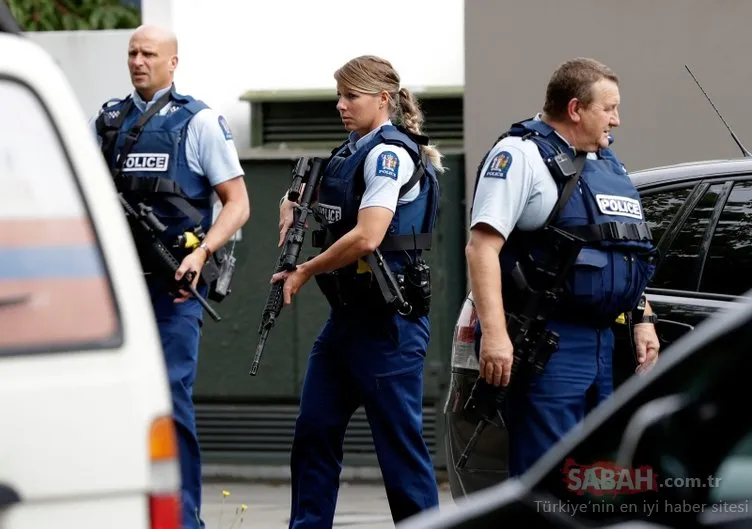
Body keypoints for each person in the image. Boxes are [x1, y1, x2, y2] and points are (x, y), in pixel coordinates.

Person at [465, 57, 661, 478]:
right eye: (609, 108)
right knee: (549, 479)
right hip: (548, 342)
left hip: (604, 342)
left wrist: (643, 317)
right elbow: (481, 248)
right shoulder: (521, 156)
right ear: (575, 109)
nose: (617, 120)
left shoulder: (607, 164)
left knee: (598, 476)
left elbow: (623, 249)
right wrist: (496, 337)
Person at [90, 24, 250, 529]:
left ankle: (184, 521)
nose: (138, 61)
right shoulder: (110, 121)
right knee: (113, 405)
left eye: (149, 53)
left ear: (173, 62)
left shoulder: (197, 122)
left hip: (175, 289)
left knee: (170, 401)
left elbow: (238, 203)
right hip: (119, 289)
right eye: (132, 52)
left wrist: (203, 253)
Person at [273, 55, 443, 528]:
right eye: (339, 96)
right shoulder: (349, 151)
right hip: (345, 321)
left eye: (352, 96)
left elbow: (369, 235)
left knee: (400, 453)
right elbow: (328, 204)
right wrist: (290, 203)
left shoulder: (389, 154)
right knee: (314, 433)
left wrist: (304, 270)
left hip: (390, 325)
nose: (341, 105)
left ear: (383, 99)